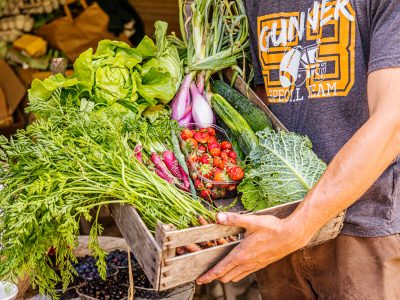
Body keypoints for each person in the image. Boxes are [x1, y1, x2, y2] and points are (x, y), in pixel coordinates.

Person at [197, 1, 400, 299]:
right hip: (275, 231)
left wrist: (299, 226)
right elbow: (263, 100)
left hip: (360, 230)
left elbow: (392, 119)